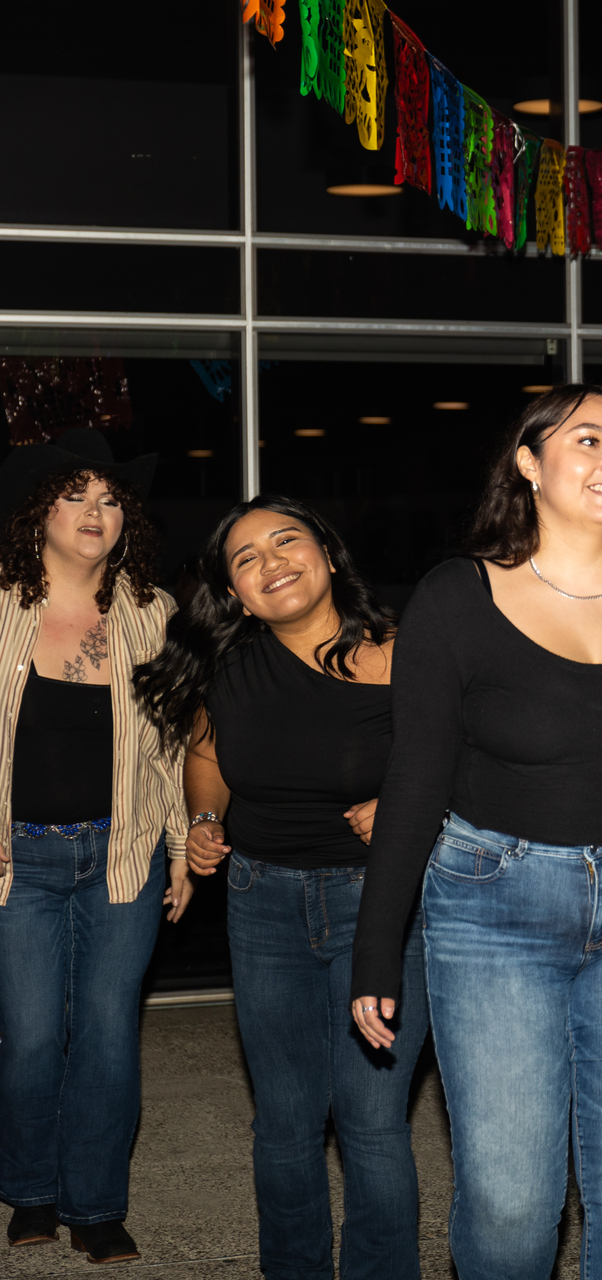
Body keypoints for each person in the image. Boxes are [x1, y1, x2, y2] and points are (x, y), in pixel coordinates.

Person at [349, 386, 602, 1279]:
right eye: (587, 440)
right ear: (529, 465)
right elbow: (416, 779)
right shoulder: (457, 596)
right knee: (509, 1203)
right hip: (491, 905)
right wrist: (375, 953)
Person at [132, 495, 425, 1280]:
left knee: (371, 1123)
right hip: (263, 903)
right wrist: (201, 820)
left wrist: (402, 804)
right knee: (286, 1124)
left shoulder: (408, 653)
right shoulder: (227, 665)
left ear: (327, 554)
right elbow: (208, 758)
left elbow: (470, 758)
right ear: (233, 592)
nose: (272, 563)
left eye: (286, 541)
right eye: (247, 558)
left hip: (383, 905)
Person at [0, 429, 190, 1265]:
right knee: (32, 1037)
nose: (95, 511)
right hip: (17, 861)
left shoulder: (153, 611)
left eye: (110, 498)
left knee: (109, 1035)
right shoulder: (0, 604)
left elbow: (175, 742)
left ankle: (97, 1203)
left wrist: (183, 848)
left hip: (125, 853)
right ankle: (32, 1192)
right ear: (37, 510)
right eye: (75, 494)